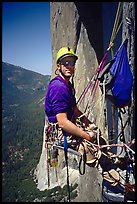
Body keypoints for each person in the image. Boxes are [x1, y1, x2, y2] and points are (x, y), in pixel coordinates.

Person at [45, 47, 97, 145]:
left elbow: (74, 109)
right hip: (61, 131)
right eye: (65, 63)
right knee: (92, 149)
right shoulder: (58, 87)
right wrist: (88, 137)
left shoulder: (67, 84)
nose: (69, 66)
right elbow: (62, 122)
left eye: (72, 63)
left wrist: (89, 124)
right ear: (58, 66)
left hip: (68, 123)